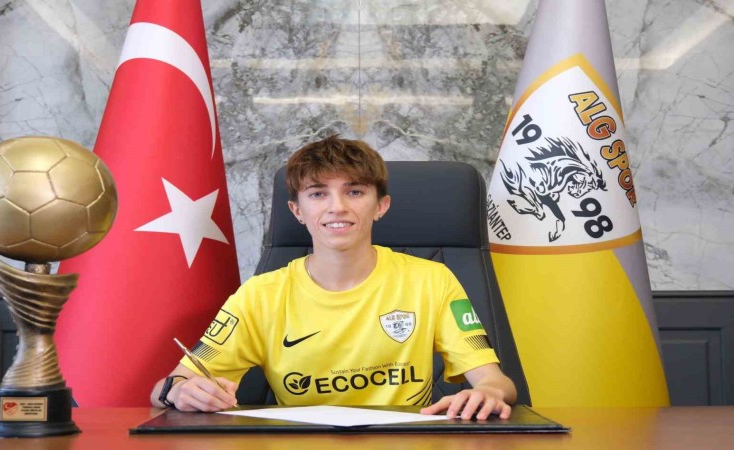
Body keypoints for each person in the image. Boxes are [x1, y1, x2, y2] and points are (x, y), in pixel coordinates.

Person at [151, 136, 517, 420]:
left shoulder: (432, 280)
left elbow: (497, 382)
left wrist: (489, 393)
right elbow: (165, 388)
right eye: (318, 194)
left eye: (354, 192)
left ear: (381, 205)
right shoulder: (259, 295)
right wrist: (180, 392)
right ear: (297, 211)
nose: (337, 207)